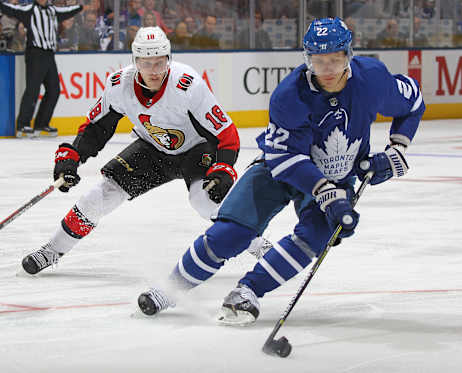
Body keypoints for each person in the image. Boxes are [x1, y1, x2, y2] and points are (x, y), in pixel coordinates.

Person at [136, 17, 425, 325]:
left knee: (315, 236)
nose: (327, 69)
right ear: (307, 58)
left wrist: (397, 150)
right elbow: (284, 156)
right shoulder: (290, 94)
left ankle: (247, 292)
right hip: (283, 170)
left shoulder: (373, 79)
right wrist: (327, 193)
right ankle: (172, 287)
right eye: (318, 60)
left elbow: (413, 102)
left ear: (348, 54)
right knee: (230, 233)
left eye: (335, 59)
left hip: (338, 175)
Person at [21, 26, 269, 276]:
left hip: (196, 150)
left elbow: (226, 132)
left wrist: (224, 166)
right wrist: (72, 157)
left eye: (160, 63)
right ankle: (53, 250)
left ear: (168, 60)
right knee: (101, 194)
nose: (154, 71)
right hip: (152, 149)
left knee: (204, 201)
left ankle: (259, 246)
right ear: (135, 61)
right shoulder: (119, 85)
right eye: (146, 63)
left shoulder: (187, 84)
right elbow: (96, 128)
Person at [0, 0, 82, 137]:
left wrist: (81, 6)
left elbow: (67, 11)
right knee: (33, 89)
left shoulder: (52, 11)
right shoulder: (29, 10)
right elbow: (11, 8)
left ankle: (41, 123)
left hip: (49, 54)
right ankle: (23, 124)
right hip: (35, 54)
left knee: (54, 89)